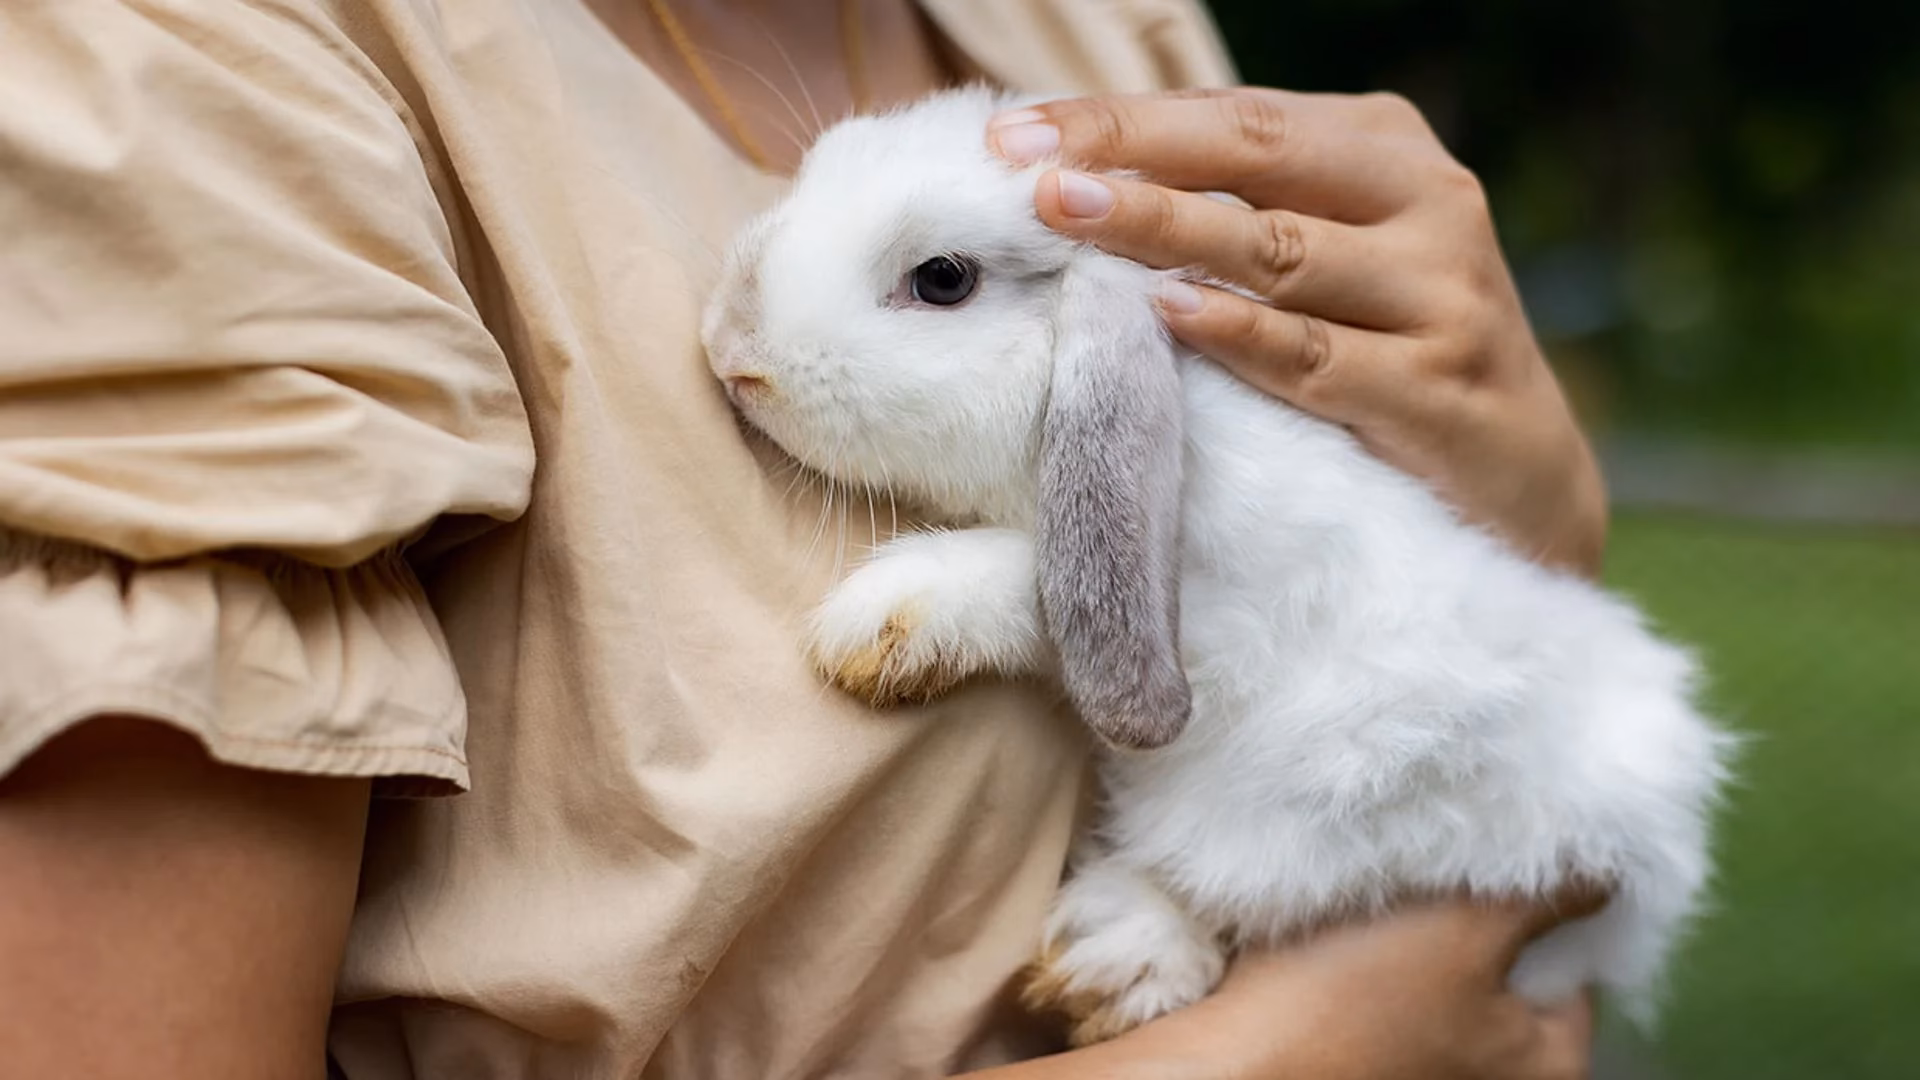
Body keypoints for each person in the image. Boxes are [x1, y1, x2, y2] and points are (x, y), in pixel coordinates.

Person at [0, 1, 1607, 1077]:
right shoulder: (181, 80)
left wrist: (1534, 539)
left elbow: (1533, 863)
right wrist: (1315, 1043)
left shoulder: (1102, 32)